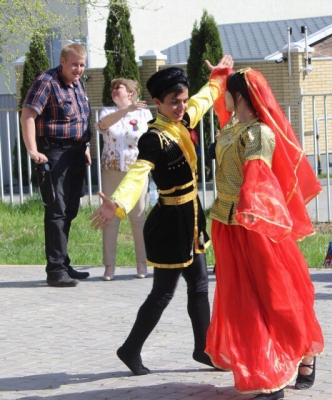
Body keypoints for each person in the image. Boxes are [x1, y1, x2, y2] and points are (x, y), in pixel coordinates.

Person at [89, 55, 234, 374]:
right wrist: (118, 202)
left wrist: (221, 76)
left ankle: (204, 349)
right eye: (174, 102)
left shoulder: (182, 120)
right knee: (162, 292)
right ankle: (130, 349)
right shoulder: (153, 138)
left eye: (182, 100)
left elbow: (203, 99)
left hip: (191, 218)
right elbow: (138, 173)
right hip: (170, 224)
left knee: (199, 285)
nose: (181, 106)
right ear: (157, 103)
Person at [205, 68, 324, 399]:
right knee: (241, 299)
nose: (222, 97)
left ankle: (300, 354)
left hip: (254, 223)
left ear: (239, 96)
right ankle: (261, 367)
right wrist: (221, 76)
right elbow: (219, 105)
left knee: (274, 295)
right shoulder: (231, 128)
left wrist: (251, 212)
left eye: (227, 91)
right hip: (226, 224)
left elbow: (259, 178)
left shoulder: (259, 133)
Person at [20, 43, 92, 287]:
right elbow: (28, 114)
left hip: (76, 153)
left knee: (70, 210)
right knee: (57, 211)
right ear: (62, 61)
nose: (78, 69)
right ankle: (55, 270)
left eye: (82, 65)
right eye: (74, 64)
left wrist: (87, 147)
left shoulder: (78, 84)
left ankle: (63, 262)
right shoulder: (46, 81)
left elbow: (81, 118)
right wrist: (32, 149)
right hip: (55, 152)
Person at [96, 78, 152, 281]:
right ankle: (109, 266)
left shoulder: (144, 114)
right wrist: (126, 111)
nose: (113, 91)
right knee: (110, 219)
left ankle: (142, 264)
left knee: (138, 218)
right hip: (111, 171)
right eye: (112, 88)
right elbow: (103, 125)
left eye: (117, 88)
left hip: (136, 172)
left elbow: (149, 138)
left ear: (130, 92)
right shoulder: (107, 111)